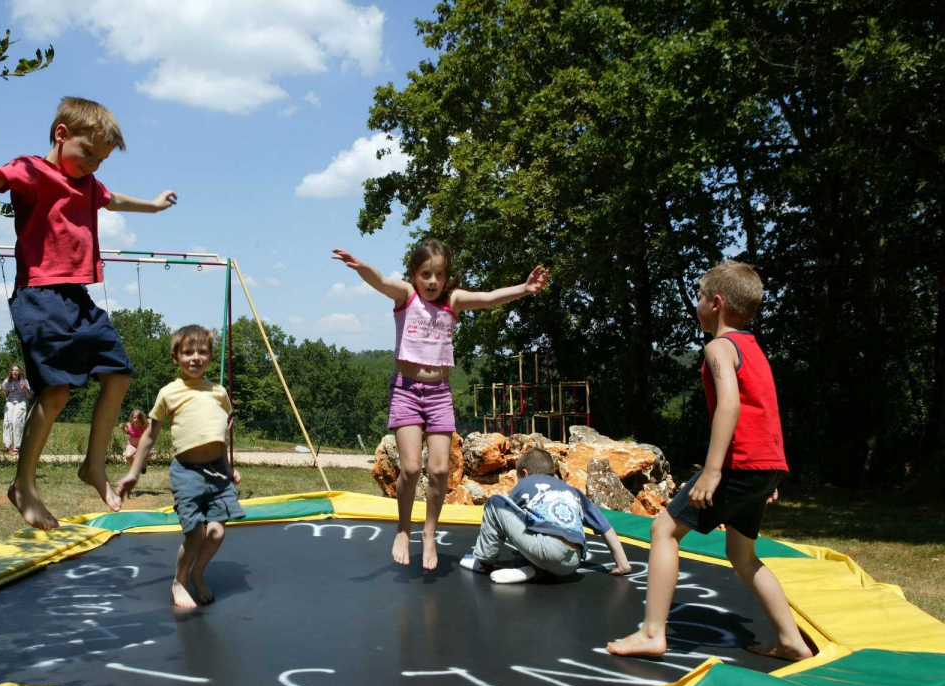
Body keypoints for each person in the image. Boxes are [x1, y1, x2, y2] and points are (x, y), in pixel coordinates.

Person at [0, 96, 177, 530]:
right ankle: (23, 485)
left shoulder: (88, 185)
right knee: (56, 391)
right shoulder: (31, 170)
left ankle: (93, 465)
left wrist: (153, 206)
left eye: (101, 160)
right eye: (88, 154)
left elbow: (114, 200)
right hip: (39, 296)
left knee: (119, 376)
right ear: (62, 135)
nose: (94, 166)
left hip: (77, 297)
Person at [608, 260, 813, 662]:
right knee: (743, 555)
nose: (697, 303)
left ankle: (652, 633)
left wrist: (713, 471)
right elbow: (767, 410)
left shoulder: (720, 347)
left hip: (738, 464)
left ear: (716, 303)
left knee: (663, 529)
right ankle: (790, 640)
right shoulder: (754, 349)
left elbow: (731, 407)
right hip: (764, 464)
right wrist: (769, 477)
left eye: (700, 296)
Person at [331, 240, 548, 570]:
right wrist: (361, 266)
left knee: (440, 469)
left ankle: (429, 533)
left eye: (439, 275)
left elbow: (489, 298)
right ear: (415, 274)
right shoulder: (406, 296)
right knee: (410, 468)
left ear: (448, 278)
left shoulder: (453, 301)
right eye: (426, 274)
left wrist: (525, 288)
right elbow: (380, 281)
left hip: (439, 394)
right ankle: (404, 529)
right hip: (406, 390)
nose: (432, 282)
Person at [117, 325, 243, 609]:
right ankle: (179, 581)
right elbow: (148, 436)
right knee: (195, 533)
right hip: (187, 472)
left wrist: (228, 468)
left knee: (217, 532)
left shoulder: (218, 392)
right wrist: (133, 472)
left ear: (210, 356)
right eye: (188, 352)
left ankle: (198, 573)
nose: (195, 357)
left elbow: (217, 437)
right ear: (176, 357)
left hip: (218, 473)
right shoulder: (169, 393)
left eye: (202, 351)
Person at [460, 447, 632, 583]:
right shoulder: (573, 492)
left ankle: (483, 563)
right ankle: (535, 571)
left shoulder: (527, 483)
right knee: (533, 540)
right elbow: (605, 527)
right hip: (573, 562)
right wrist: (622, 564)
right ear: (553, 474)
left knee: (495, 503)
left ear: (525, 473)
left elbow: (508, 514)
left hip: (547, 550)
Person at [0, 364, 33, 453]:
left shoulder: (24, 381)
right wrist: (0, 389)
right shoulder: (7, 381)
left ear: (20, 372)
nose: (15, 372)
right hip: (10, 402)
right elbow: (5, 394)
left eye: (17, 370)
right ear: (10, 372)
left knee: (16, 422)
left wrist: (24, 388)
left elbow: (29, 396)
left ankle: (17, 447)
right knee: (8, 422)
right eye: (13, 370)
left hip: (21, 402)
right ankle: (7, 445)